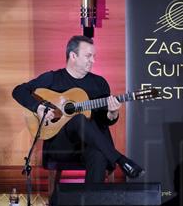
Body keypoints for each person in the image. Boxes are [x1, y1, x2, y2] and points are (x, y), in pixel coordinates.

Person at [12, 35, 143, 182]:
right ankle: (120, 159)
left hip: (90, 145)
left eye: (94, 56)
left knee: (98, 154)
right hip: (61, 147)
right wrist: (38, 107)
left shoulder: (99, 83)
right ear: (73, 56)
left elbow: (103, 122)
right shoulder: (52, 78)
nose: (93, 60)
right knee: (78, 118)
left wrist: (112, 113)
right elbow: (18, 91)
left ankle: (90, 204)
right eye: (88, 56)